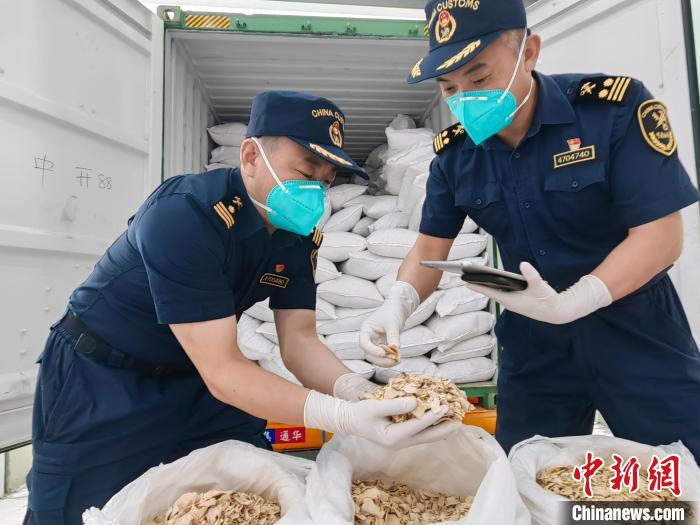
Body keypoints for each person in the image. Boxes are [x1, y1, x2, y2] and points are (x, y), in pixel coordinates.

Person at [24, 91, 459, 525]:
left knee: (254, 492)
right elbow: (223, 371)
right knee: (75, 511)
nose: (316, 190)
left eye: (326, 181)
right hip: (102, 377)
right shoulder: (186, 214)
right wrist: (342, 416)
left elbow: (299, 340)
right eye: (306, 171)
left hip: (191, 377)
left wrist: (357, 391)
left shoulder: (297, 234)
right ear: (251, 156)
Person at [360, 0, 700, 462]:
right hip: (535, 343)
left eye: (479, 78)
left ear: (530, 52)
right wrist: (397, 304)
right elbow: (428, 249)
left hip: (635, 328)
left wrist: (574, 302)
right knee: (525, 472)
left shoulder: (611, 112)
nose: (465, 98)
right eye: (449, 87)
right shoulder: (456, 156)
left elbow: (660, 235)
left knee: (678, 472)